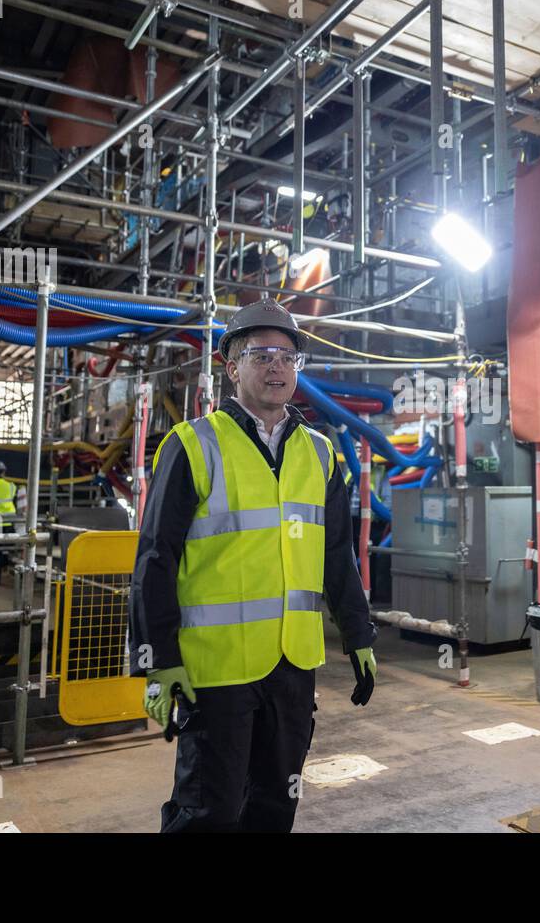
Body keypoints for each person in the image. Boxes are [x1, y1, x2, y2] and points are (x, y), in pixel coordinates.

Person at [129, 298, 377, 833]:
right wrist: (157, 660)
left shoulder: (320, 451)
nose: (277, 367)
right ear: (231, 366)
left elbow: (336, 554)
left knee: (274, 805)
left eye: (288, 358)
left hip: (293, 668)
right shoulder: (193, 445)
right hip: (215, 672)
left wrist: (359, 634)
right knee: (208, 812)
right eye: (261, 354)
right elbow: (154, 559)